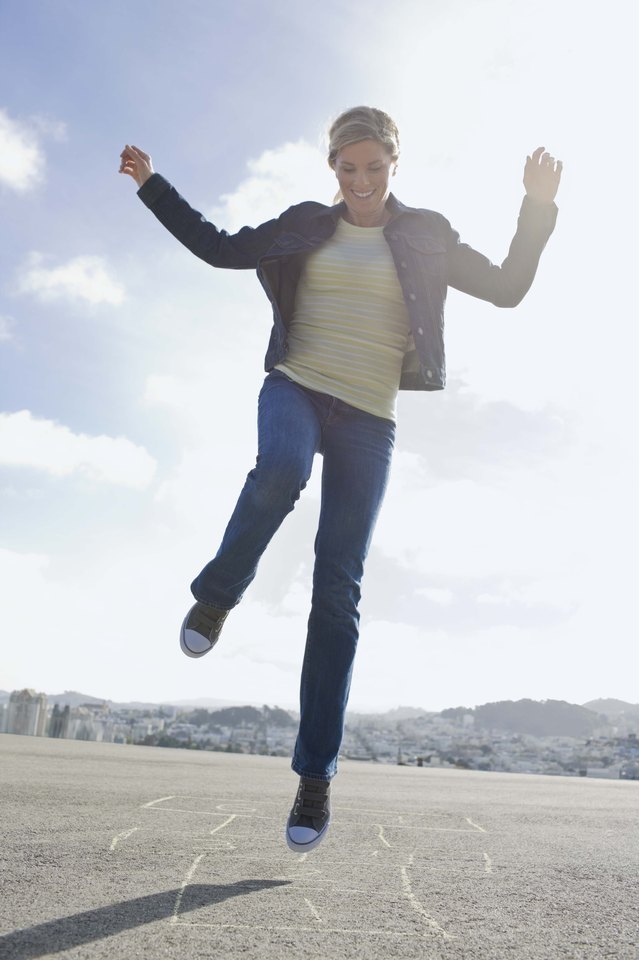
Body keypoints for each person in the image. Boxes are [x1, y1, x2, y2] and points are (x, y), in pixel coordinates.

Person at [119, 106, 562, 853]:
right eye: (347, 168)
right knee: (282, 469)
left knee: (338, 590)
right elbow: (221, 248)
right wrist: (153, 185)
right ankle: (217, 595)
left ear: (394, 165)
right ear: (332, 168)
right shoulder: (303, 224)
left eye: (374, 168)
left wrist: (537, 209)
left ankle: (315, 778)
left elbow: (510, 287)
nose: (360, 182)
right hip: (297, 383)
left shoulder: (426, 233)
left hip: (369, 417)